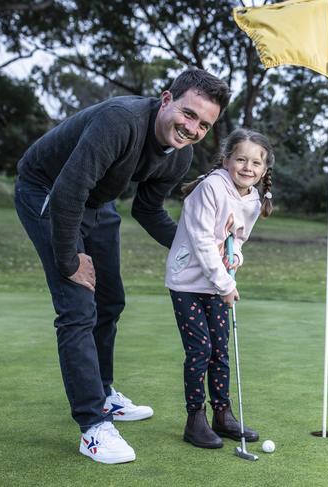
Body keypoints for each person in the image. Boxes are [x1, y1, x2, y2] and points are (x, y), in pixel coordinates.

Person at [14, 68, 231, 463]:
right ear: (166, 99)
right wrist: (69, 261)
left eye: (203, 124)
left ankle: (103, 392)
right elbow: (68, 191)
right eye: (188, 113)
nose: (192, 128)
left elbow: (148, 210)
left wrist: (205, 248)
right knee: (78, 307)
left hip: (97, 201)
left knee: (110, 301)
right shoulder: (121, 120)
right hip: (47, 190)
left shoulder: (179, 157)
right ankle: (93, 427)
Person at [165, 128, 274, 449]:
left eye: (256, 163)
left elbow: (238, 239)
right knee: (200, 350)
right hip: (187, 280)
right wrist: (226, 283)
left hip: (217, 281)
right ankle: (194, 419)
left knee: (220, 352)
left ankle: (222, 414)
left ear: (264, 170)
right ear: (226, 160)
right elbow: (200, 239)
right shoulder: (211, 187)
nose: (247, 167)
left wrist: (235, 257)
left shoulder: (253, 199)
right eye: (241, 159)